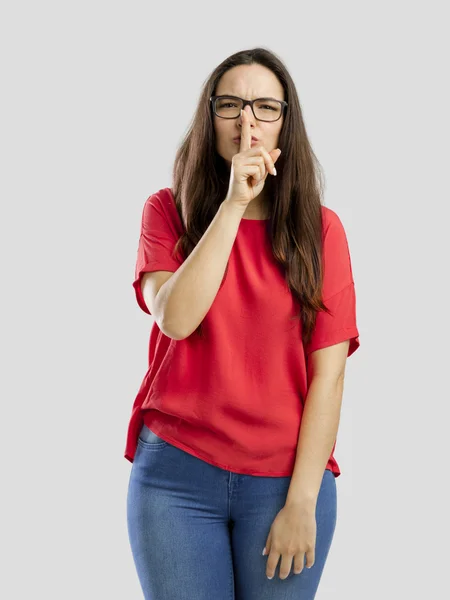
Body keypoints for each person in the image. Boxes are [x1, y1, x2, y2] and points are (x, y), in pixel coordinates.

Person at [125, 47, 360, 600]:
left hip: (285, 481)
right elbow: (176, 319)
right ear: (210, 118)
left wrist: (303, 501)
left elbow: (328, 376)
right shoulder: (166, 210)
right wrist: (233, 205)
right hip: (175, 478)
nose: (246, 120)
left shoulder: (320, 231)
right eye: (230, 104)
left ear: (287, 122)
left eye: (264, 107)